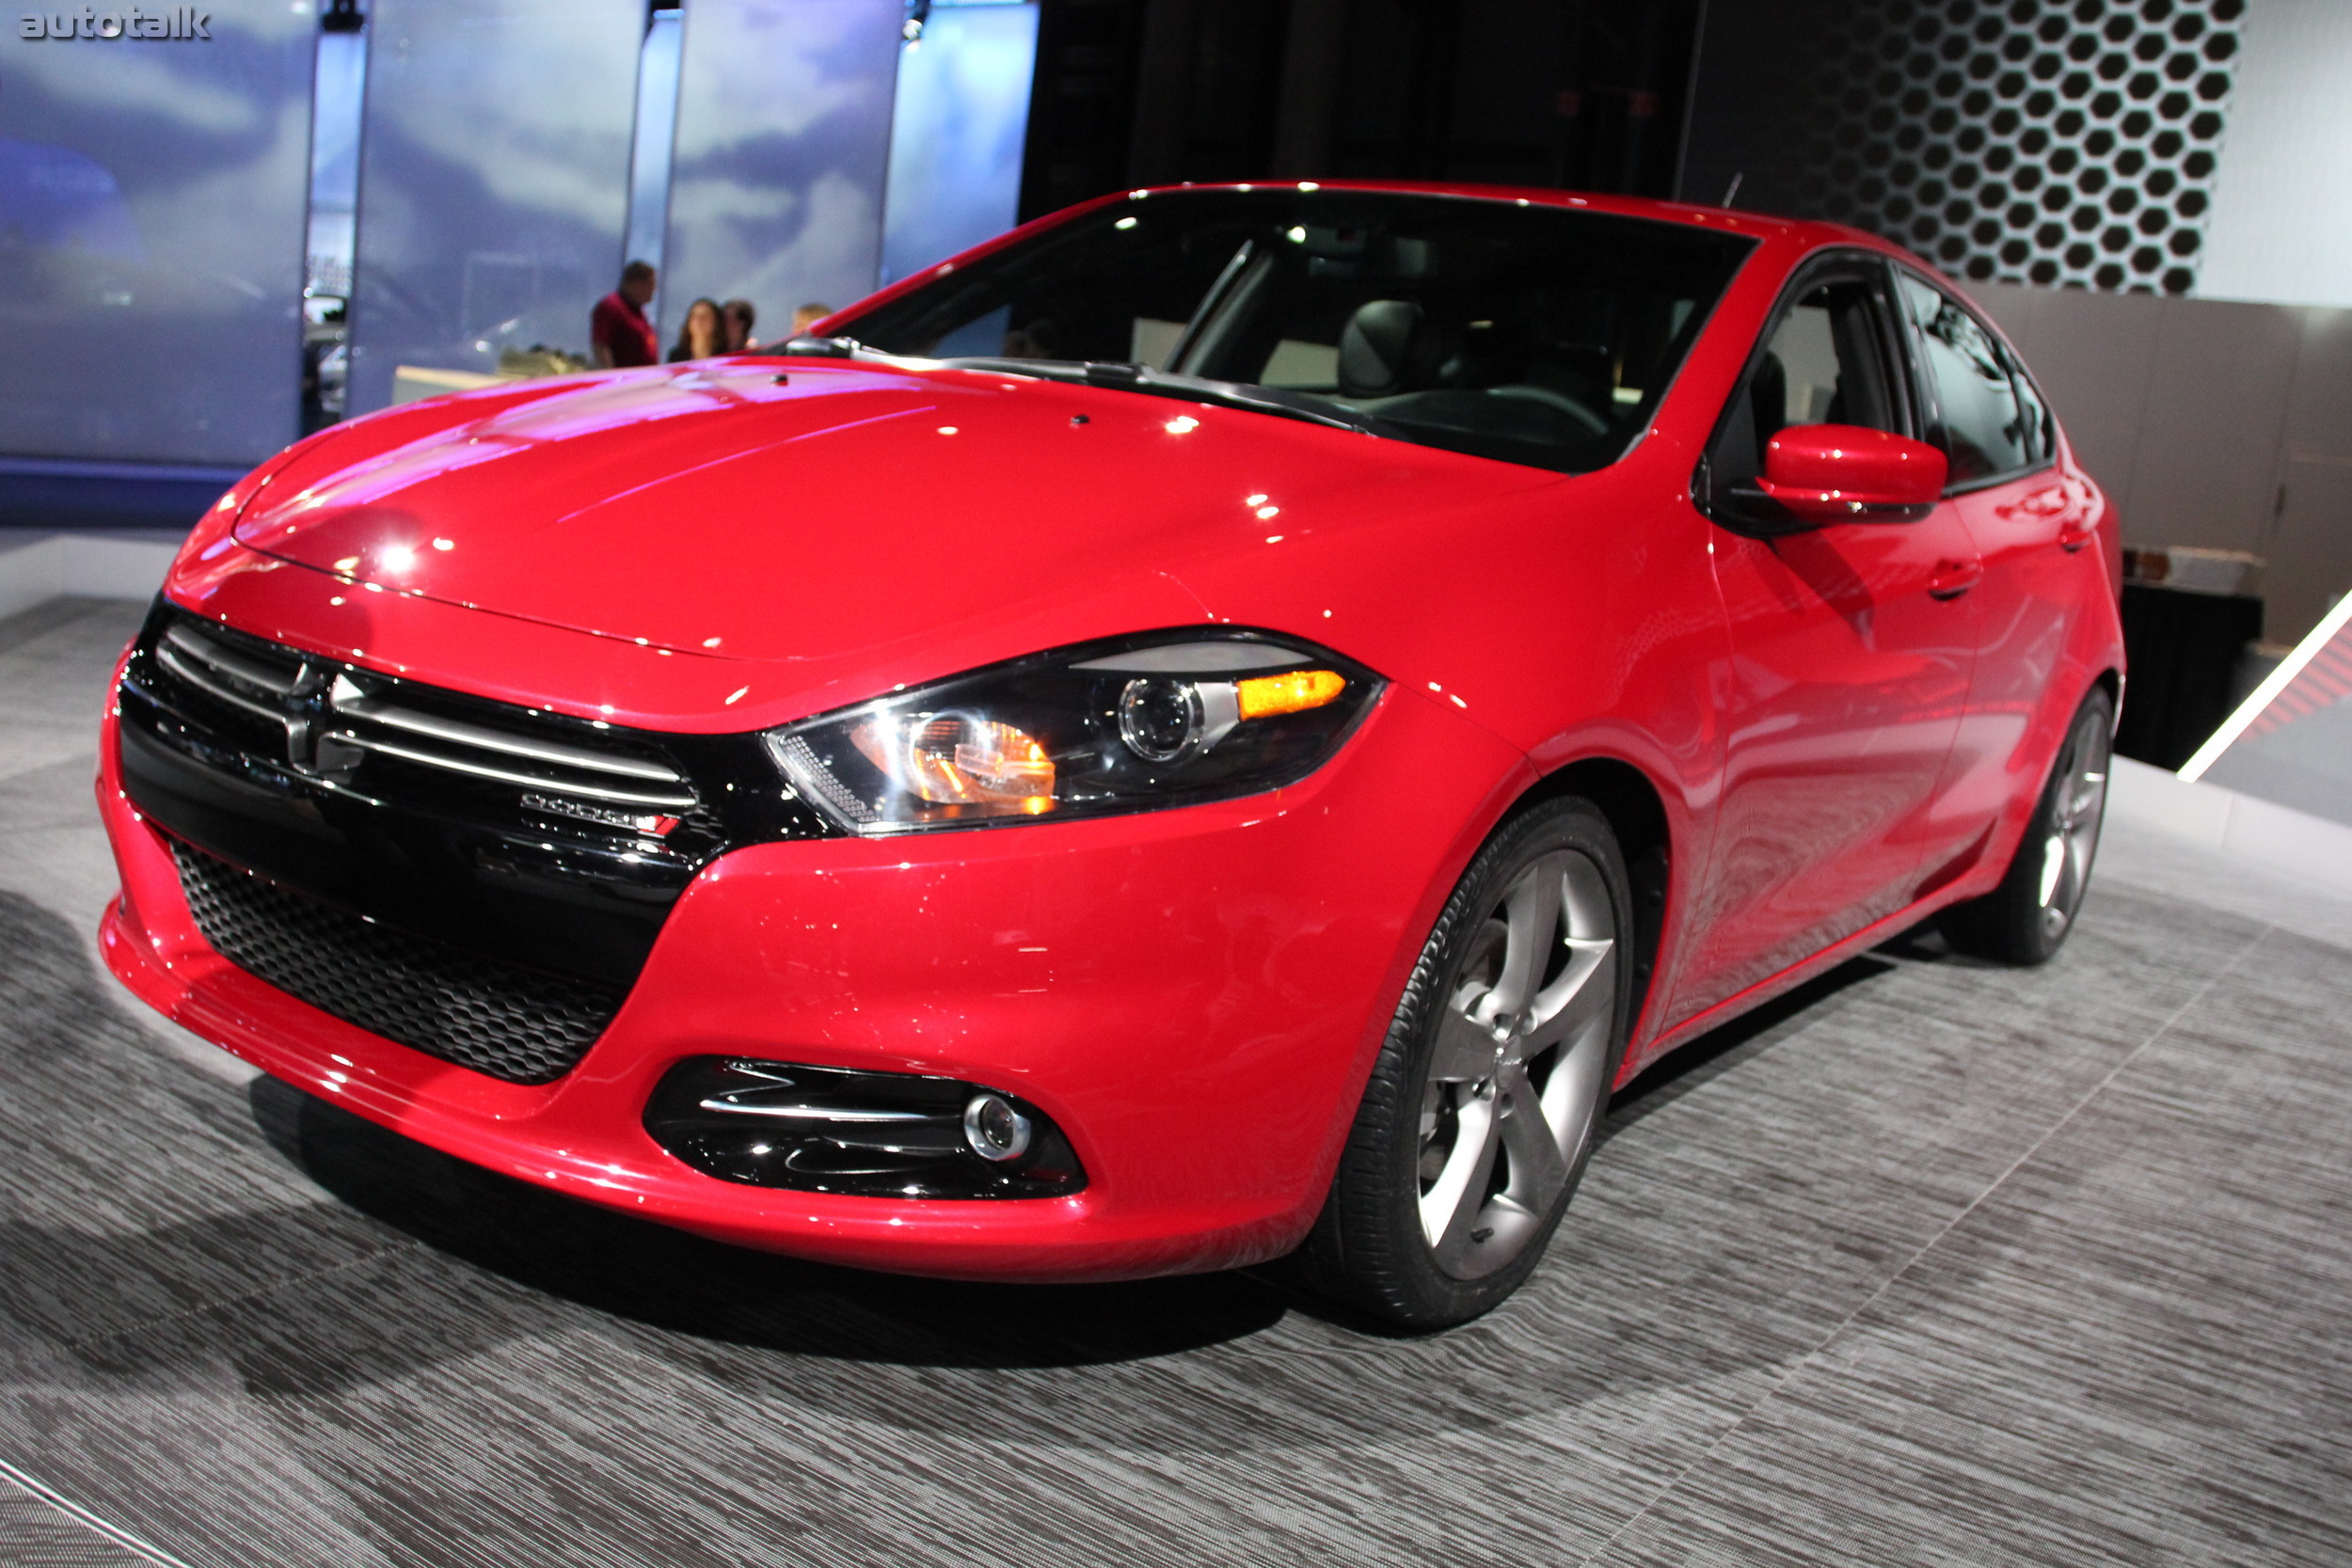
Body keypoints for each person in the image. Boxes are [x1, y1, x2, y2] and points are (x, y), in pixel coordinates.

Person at [591, 261, 660, 369]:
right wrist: (612, 378)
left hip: (643, 381)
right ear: (637, 283)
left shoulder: (639, 311)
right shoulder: (611, 307)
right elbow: (601, 346)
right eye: (651, 284)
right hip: (624, 381)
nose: (654, 289)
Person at [669, 297, 723, 362]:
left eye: (705, 316)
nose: (699, 320)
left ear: (716, 322)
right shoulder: (677, 356)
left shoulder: (725, 354)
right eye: (694, 316)